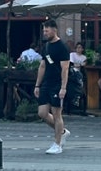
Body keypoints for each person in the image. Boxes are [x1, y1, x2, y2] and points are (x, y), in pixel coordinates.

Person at [33, 19, 70, 155]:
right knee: (42, 113)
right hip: (46, 83)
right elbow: (42, 65)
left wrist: (63, 87)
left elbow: (65, 68)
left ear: (54, 30)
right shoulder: (46, 46)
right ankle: (62, 131)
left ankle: (57, 144)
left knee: (56, 113)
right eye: (44, 31)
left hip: (57, 84)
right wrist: (37, 85)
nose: (45, 33)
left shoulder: (62, 47)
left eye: (47, 31)